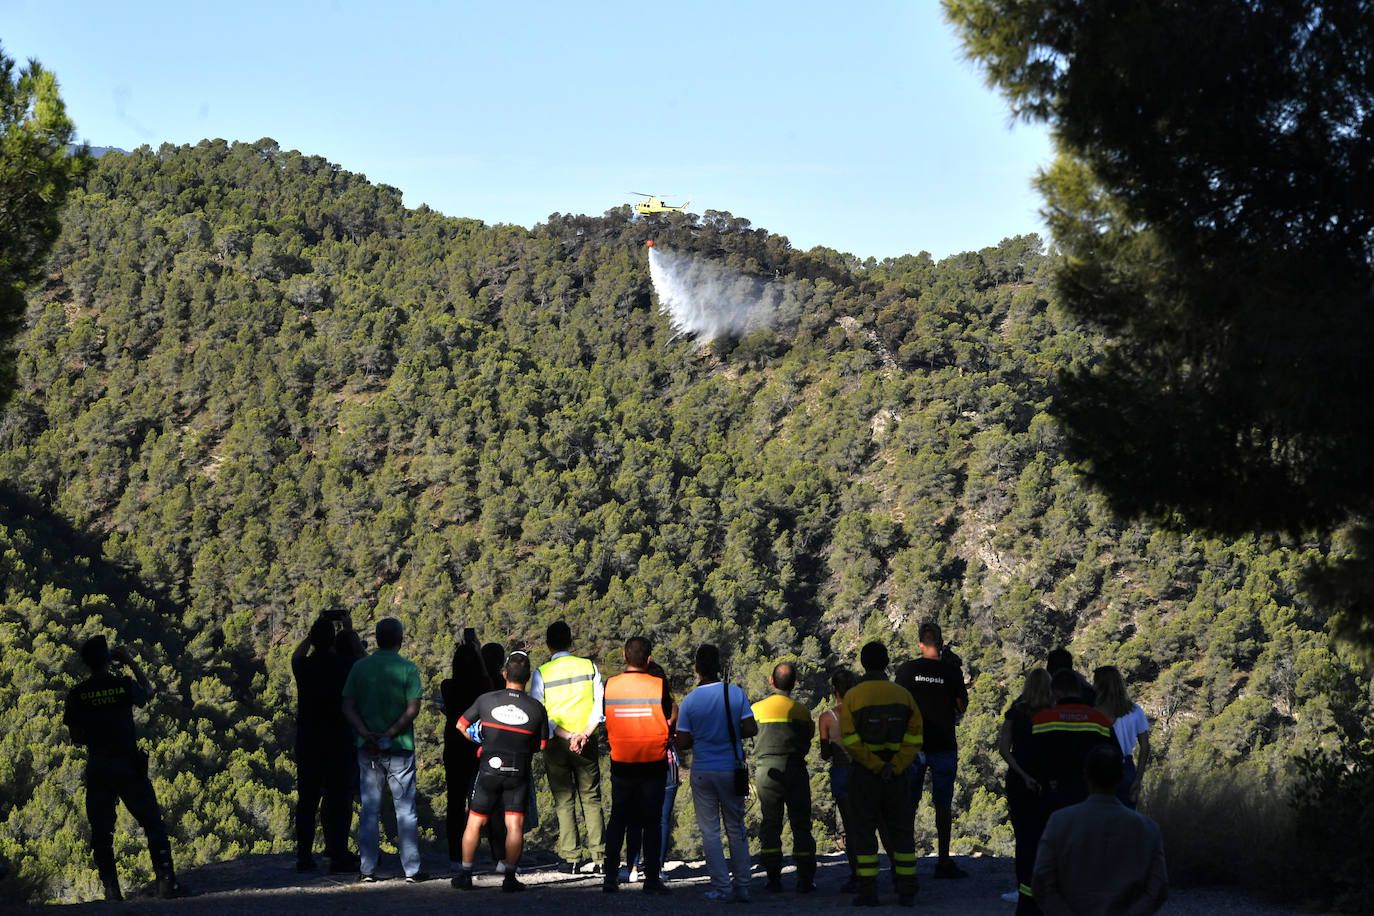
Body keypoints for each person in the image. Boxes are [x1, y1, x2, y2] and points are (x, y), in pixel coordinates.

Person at [63, 635, 188, 901]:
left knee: (101, 831)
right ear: (109, 659)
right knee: (152, 823)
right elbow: (149, 692)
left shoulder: (77, 694)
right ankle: (167, 884)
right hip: (128, 763)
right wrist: (131, 662)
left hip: (98, 766)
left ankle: (111, 890)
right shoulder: (122, 685)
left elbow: (75, 736)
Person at [1031, 744, 1168, 916]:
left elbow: (1041, 882)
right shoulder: (1147, 829)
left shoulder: (1059, 822)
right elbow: (1158, 888)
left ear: (1086, 776)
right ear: (1121, 778)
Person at [452, 650, 548, 893]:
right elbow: (542, 745)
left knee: (474, 822)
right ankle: (509, 878)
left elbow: (461, 724)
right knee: (514, 825)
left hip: (489, 768)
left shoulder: (486, 700)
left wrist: (481, 742)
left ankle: (465, 874)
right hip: (518, 771)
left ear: (504, 674)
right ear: (527, 678)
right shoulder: (536, 708)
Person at [341, 617, 425, 883]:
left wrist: (366, 734)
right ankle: (411, 869)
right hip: (399, 748)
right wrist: (390, 733)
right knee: (406, 810)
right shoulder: (408, 668)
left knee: (369, 809)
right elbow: (413, 708)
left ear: (377, 639)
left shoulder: (360, 668)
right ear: (400, 640)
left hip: (368, 749)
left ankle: (367, 869)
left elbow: (347, 706)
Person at [840, 641, 923, 907]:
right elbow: (915, 737)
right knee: (901, 831)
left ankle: (868, 891)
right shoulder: (903, 696)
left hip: (865, 775)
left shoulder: (853, 697)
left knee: (864, 832)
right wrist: (895, 765)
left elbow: (849, 740)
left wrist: (875, 765)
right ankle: (907, 889)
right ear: (887, 663)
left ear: (863, 664)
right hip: (896, 776)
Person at [676, 644, 757, 902]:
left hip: (703, 770)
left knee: (710, 831)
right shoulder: (734, 693)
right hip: (731, 768)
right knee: (736, 827)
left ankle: (721, 886)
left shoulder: (689, 701)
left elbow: (684, 741)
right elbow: (750, 729)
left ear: (697, 669)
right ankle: (742, 886)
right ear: (719, 667)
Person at [894, 622, 969, 880]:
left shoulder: (906, 671)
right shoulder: (951, 671)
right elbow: (962, 707)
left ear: (919, 644)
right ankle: (944, 861)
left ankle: (903, 861)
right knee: (943, 805)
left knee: (908, 805)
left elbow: (898, 706)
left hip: (913, 745)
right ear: (941, 642)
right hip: (944, 744)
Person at [600, 636, 674, 895]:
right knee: (652, 822)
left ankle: (610, 877)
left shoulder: (610, 685)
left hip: (622, 761)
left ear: (624, 656)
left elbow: (605, 718)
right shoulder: (658, 685)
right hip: (653, 762)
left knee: (618, 819)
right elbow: (668, 716)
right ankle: (652, 880)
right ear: (649, 659)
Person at [530, 620, 605, 872]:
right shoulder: (589, 667)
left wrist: (567, 735)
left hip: (556, 745)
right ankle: (600, 859)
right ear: (571, 642)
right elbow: (598, 708)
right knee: (592, 799)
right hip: (587, 742)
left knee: (564, 801)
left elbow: (539, 713)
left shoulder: (542, 673)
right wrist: (583, 734)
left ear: (548, 644)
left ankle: (572, 860)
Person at [291, 614, 359, 874]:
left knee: (307, 800)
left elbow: (296, 655)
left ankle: (304, 857)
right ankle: (338, 854)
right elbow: (363, 660)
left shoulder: (304, 667)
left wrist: (311, 634)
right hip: (339, 740)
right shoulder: (346, 665)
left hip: (308, 740)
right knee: (339, 799)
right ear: (333, 640)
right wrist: (350, 631)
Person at [750, 661, 817, 893]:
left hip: (766, 772)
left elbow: (748, 735)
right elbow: (809, 738)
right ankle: (806, 880)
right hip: (796, 769)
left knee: (770, 823)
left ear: (771, 681)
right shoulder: (801, 711)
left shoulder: (757, 709)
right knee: (801, 824)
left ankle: (773, 878)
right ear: (795, 684)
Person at [998, 668, 1053, 913]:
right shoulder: (1054, 712)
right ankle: (1046, 889)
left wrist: (1022, 775)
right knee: (1047, 837)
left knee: (1024, 838)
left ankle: (1024, 890)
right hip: (1048, 782)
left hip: (1020, 781)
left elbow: (1004, 749)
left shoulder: (1015, 712)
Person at [623, 661, 681, 884]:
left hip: (638, 763)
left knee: (636, 818)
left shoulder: (637, 705)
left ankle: (633, 867)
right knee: (662, 819)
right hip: (667, 764)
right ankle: (656, 867)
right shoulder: (672, 707)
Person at [1031, 669, 1115, 814]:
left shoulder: (1041, 720)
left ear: (1055, 692)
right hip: (1091, 794)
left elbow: (1033, 758)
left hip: (1054, 795)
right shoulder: (1099, 719)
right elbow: (1114, 756)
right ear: (1079, 690)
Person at [441, 632, 492, 870]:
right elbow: (486, 680)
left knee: (455, 801)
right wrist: (478, 653)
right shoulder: (482, 688)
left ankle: (454, 853)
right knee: (481, 800)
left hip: (453, 747)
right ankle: (486, 849)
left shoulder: (448, 687)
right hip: (477, 747)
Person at [818, 668, 860, 893]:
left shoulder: (827, 718)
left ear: (834, 689)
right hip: (864, 771)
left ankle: (857, 875)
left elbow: (825, 754)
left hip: (842, 773)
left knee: (850, 826)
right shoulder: (862, 713)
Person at [1093, 666, 1152, 810]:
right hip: (1126, 768)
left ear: (1101, 685)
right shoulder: (1135, 710)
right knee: (1126, 819)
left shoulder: (1092, 712)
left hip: (1098, 768)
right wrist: (1138, 778)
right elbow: (1145, 746)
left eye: (1095, 682)